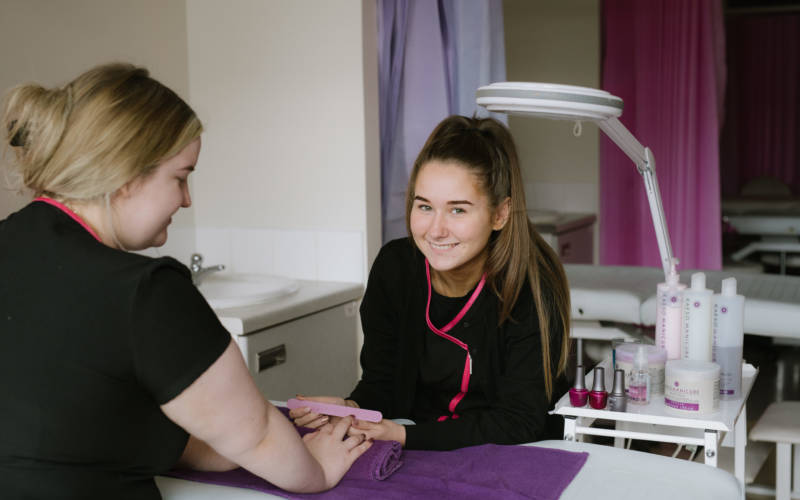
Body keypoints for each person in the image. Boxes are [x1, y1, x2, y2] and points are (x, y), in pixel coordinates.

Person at [0, 63, 370, 499]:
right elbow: (257, 435)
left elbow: (94, 416)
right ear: (125, 174)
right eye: (181, 177)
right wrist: (318, 472)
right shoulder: (143, 291)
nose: (187, 200)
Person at [291, 115, 572, 451]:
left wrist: (404, 436)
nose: (436, 230)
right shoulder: (396, 268)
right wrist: (352, 409)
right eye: (425, 206)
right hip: (421, 446)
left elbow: (519, 421)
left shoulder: (531, 285)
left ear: (500, 214)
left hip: (518, 454)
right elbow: (383, 384)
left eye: (458, 211)